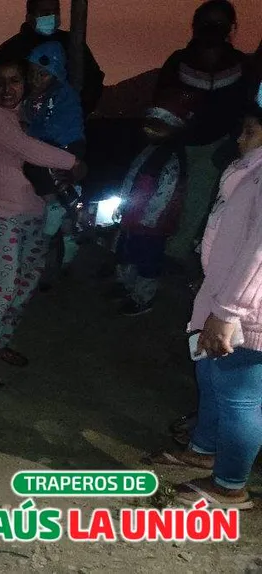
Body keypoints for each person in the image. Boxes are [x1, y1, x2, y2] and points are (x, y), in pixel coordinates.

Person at [150, 92, 262, 510]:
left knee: (240, 398)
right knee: (212, 378)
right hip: (223, 296)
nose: (240, 139)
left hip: (246, 311)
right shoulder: (248, 172)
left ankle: (231, 485)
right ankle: (204, 449)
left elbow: (259, 252)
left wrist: (229, 312)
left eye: (250, 132)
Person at [0, 58, 84, 389]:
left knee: (26, 283)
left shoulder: (28, 115)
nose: (7, 88)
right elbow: (27, 149)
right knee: (2, 285)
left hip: (35, 211)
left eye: (14, 81)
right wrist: (73, 162)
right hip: (3, 213)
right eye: (0, 81)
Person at [155, 0, 253, 263]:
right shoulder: (178, 61)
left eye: (219, 23)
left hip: (216, 146)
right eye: (207, 22)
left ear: (230, 27)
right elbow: (160, 102)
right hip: (175, 144)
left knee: (197, 204)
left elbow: (246, 107)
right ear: (195, 25)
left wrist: (232, 144)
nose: (212, 28)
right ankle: (145, 251)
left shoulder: (241, 65)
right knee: (161, 199)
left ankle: (175, 255)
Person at [107, 93, 193, 317]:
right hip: (133, 217)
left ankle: (143, 298)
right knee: (126, 252)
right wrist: (123, 205)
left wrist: (149, 218)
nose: (149, 129)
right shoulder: (150, 149)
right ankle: (126, 286)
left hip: (151, 223)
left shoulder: (172, 157)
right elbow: (131, 178)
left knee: (147, 260)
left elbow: (167, 192)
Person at [21, 41, 86, 287]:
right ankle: (67, 254)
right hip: (60, 150)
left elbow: (52, 128)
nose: (36, 78)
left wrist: (30, 135)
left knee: (52, 201)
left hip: (62, 150)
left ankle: (49, 260)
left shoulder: (60, 95)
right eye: (33, 73)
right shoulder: (42, 95)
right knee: (64, 209)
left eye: (43, 74)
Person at [0, 0, 104, 116]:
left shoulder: (72, 45)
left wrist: (77, 112)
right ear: (30, 17)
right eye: (45, 13)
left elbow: (93, 81)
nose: (51, 17)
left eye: (55, 11)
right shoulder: (10, 50)